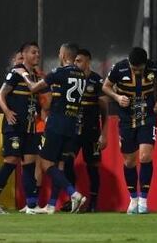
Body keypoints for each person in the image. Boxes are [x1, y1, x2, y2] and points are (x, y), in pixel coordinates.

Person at [13, 42, 88, 213]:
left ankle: (74, 193)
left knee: (46, 164)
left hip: (57, 122)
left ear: (63, 55)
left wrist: (23, 74)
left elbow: (33, 88)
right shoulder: (82, 75)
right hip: (72, 123)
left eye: (59, 53)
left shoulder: (60, 72)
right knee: (59, 164)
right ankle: (52, 205)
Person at [102, 47, 157, 215]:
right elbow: (105, 86)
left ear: (145, 64)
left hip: (147, 116)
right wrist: (117, 97)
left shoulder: (154, 66)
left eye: (139, 68)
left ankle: (144, 200)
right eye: (133, 68)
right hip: (126, 119)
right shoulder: (119, 68)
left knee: (145, 156)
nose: (135, 71)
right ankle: (134, 199)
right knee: (130, 161)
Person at [0, 42, 42, 214]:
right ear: (23, 55)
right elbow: (1, 94)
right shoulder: (16, 73)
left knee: (29, 165)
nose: (37, 55)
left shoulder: (34, 75)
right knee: (11, 162)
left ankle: (31, 206)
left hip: (30, 126)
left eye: (38, 53)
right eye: (33, 52)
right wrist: (7, 112)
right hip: (14, 127)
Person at [69, 48, 108, 212]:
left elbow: (105, 109)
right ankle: (72, 198)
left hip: (91, 131)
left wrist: (104, 134)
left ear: (88, 62)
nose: (76, 64)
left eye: (80, 61)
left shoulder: (97, 81)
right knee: (66, 162)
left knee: (93, 166)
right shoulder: (71, 80)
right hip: (72, 130)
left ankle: (93, 203)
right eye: (75, 61)